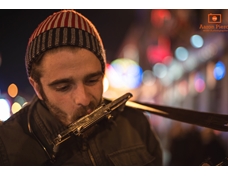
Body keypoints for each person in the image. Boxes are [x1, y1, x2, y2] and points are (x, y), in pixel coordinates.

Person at [0, 9, 162, 166]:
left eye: (92, 80)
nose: (83, 99)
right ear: (37, 87)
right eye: (63, 87)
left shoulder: (135, 123)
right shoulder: (7, 148)